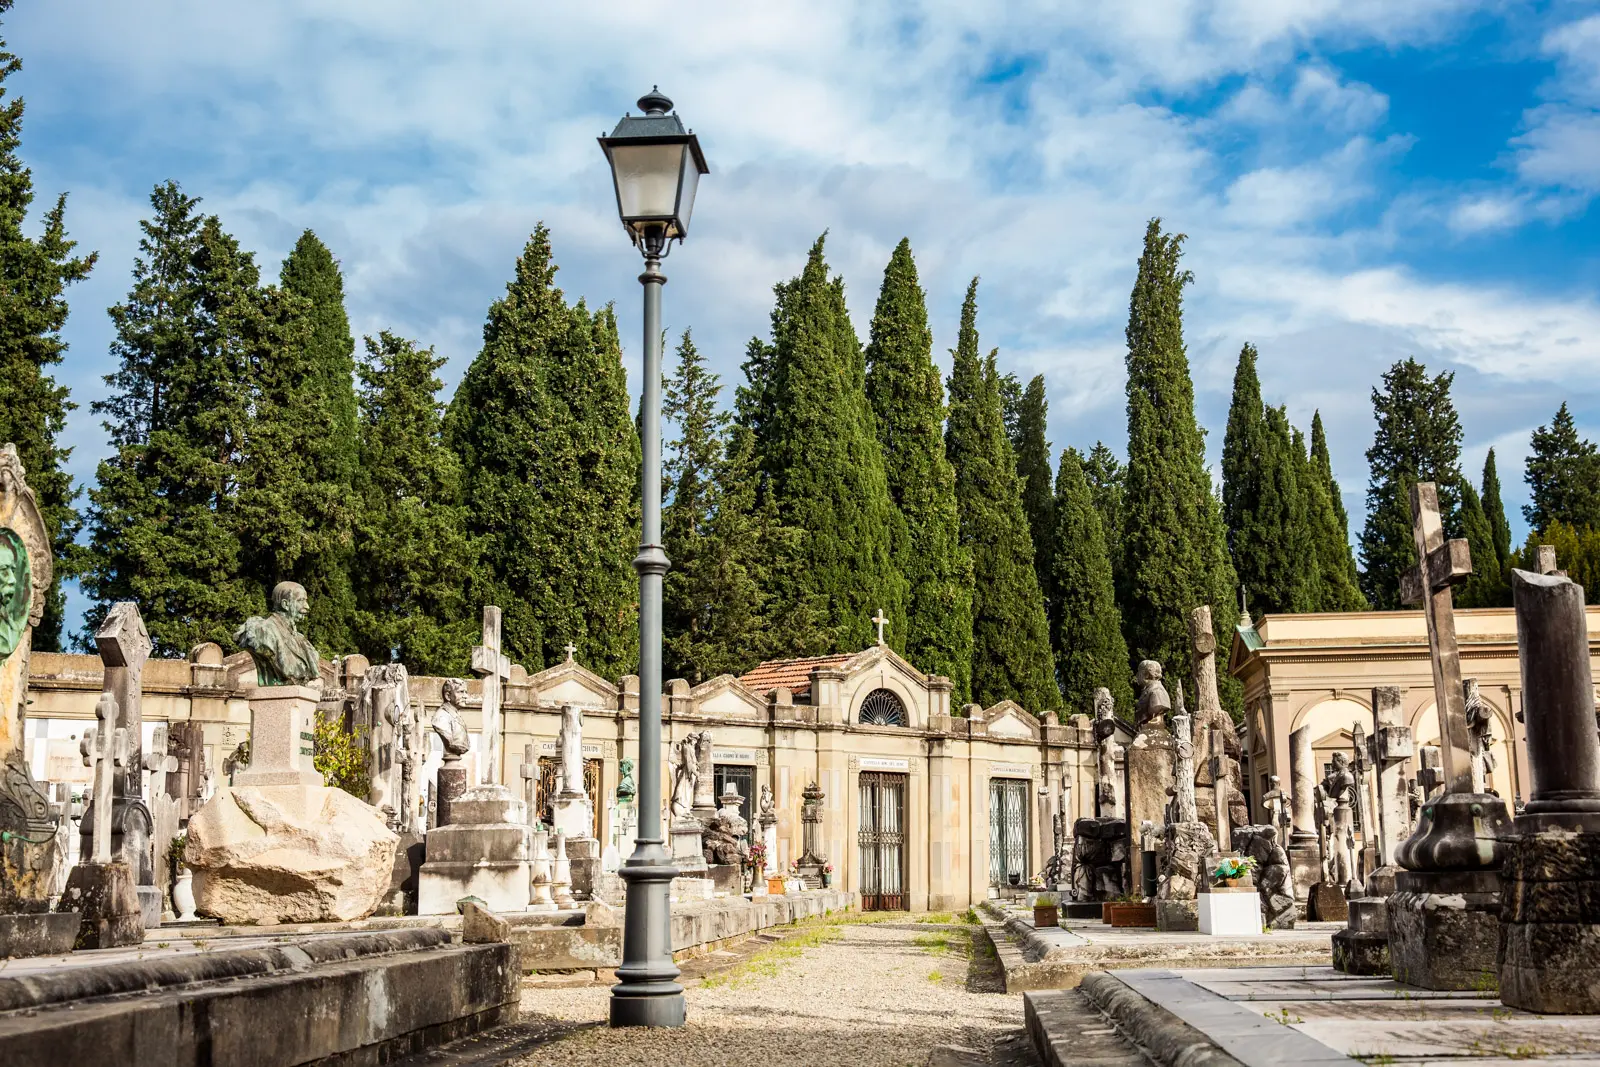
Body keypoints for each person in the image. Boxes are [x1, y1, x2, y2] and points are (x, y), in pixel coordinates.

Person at [234, 581, 320, 686]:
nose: (307, 606)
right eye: (301, 601)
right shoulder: (263, 630)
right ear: (285, 604)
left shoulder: (301, 639)